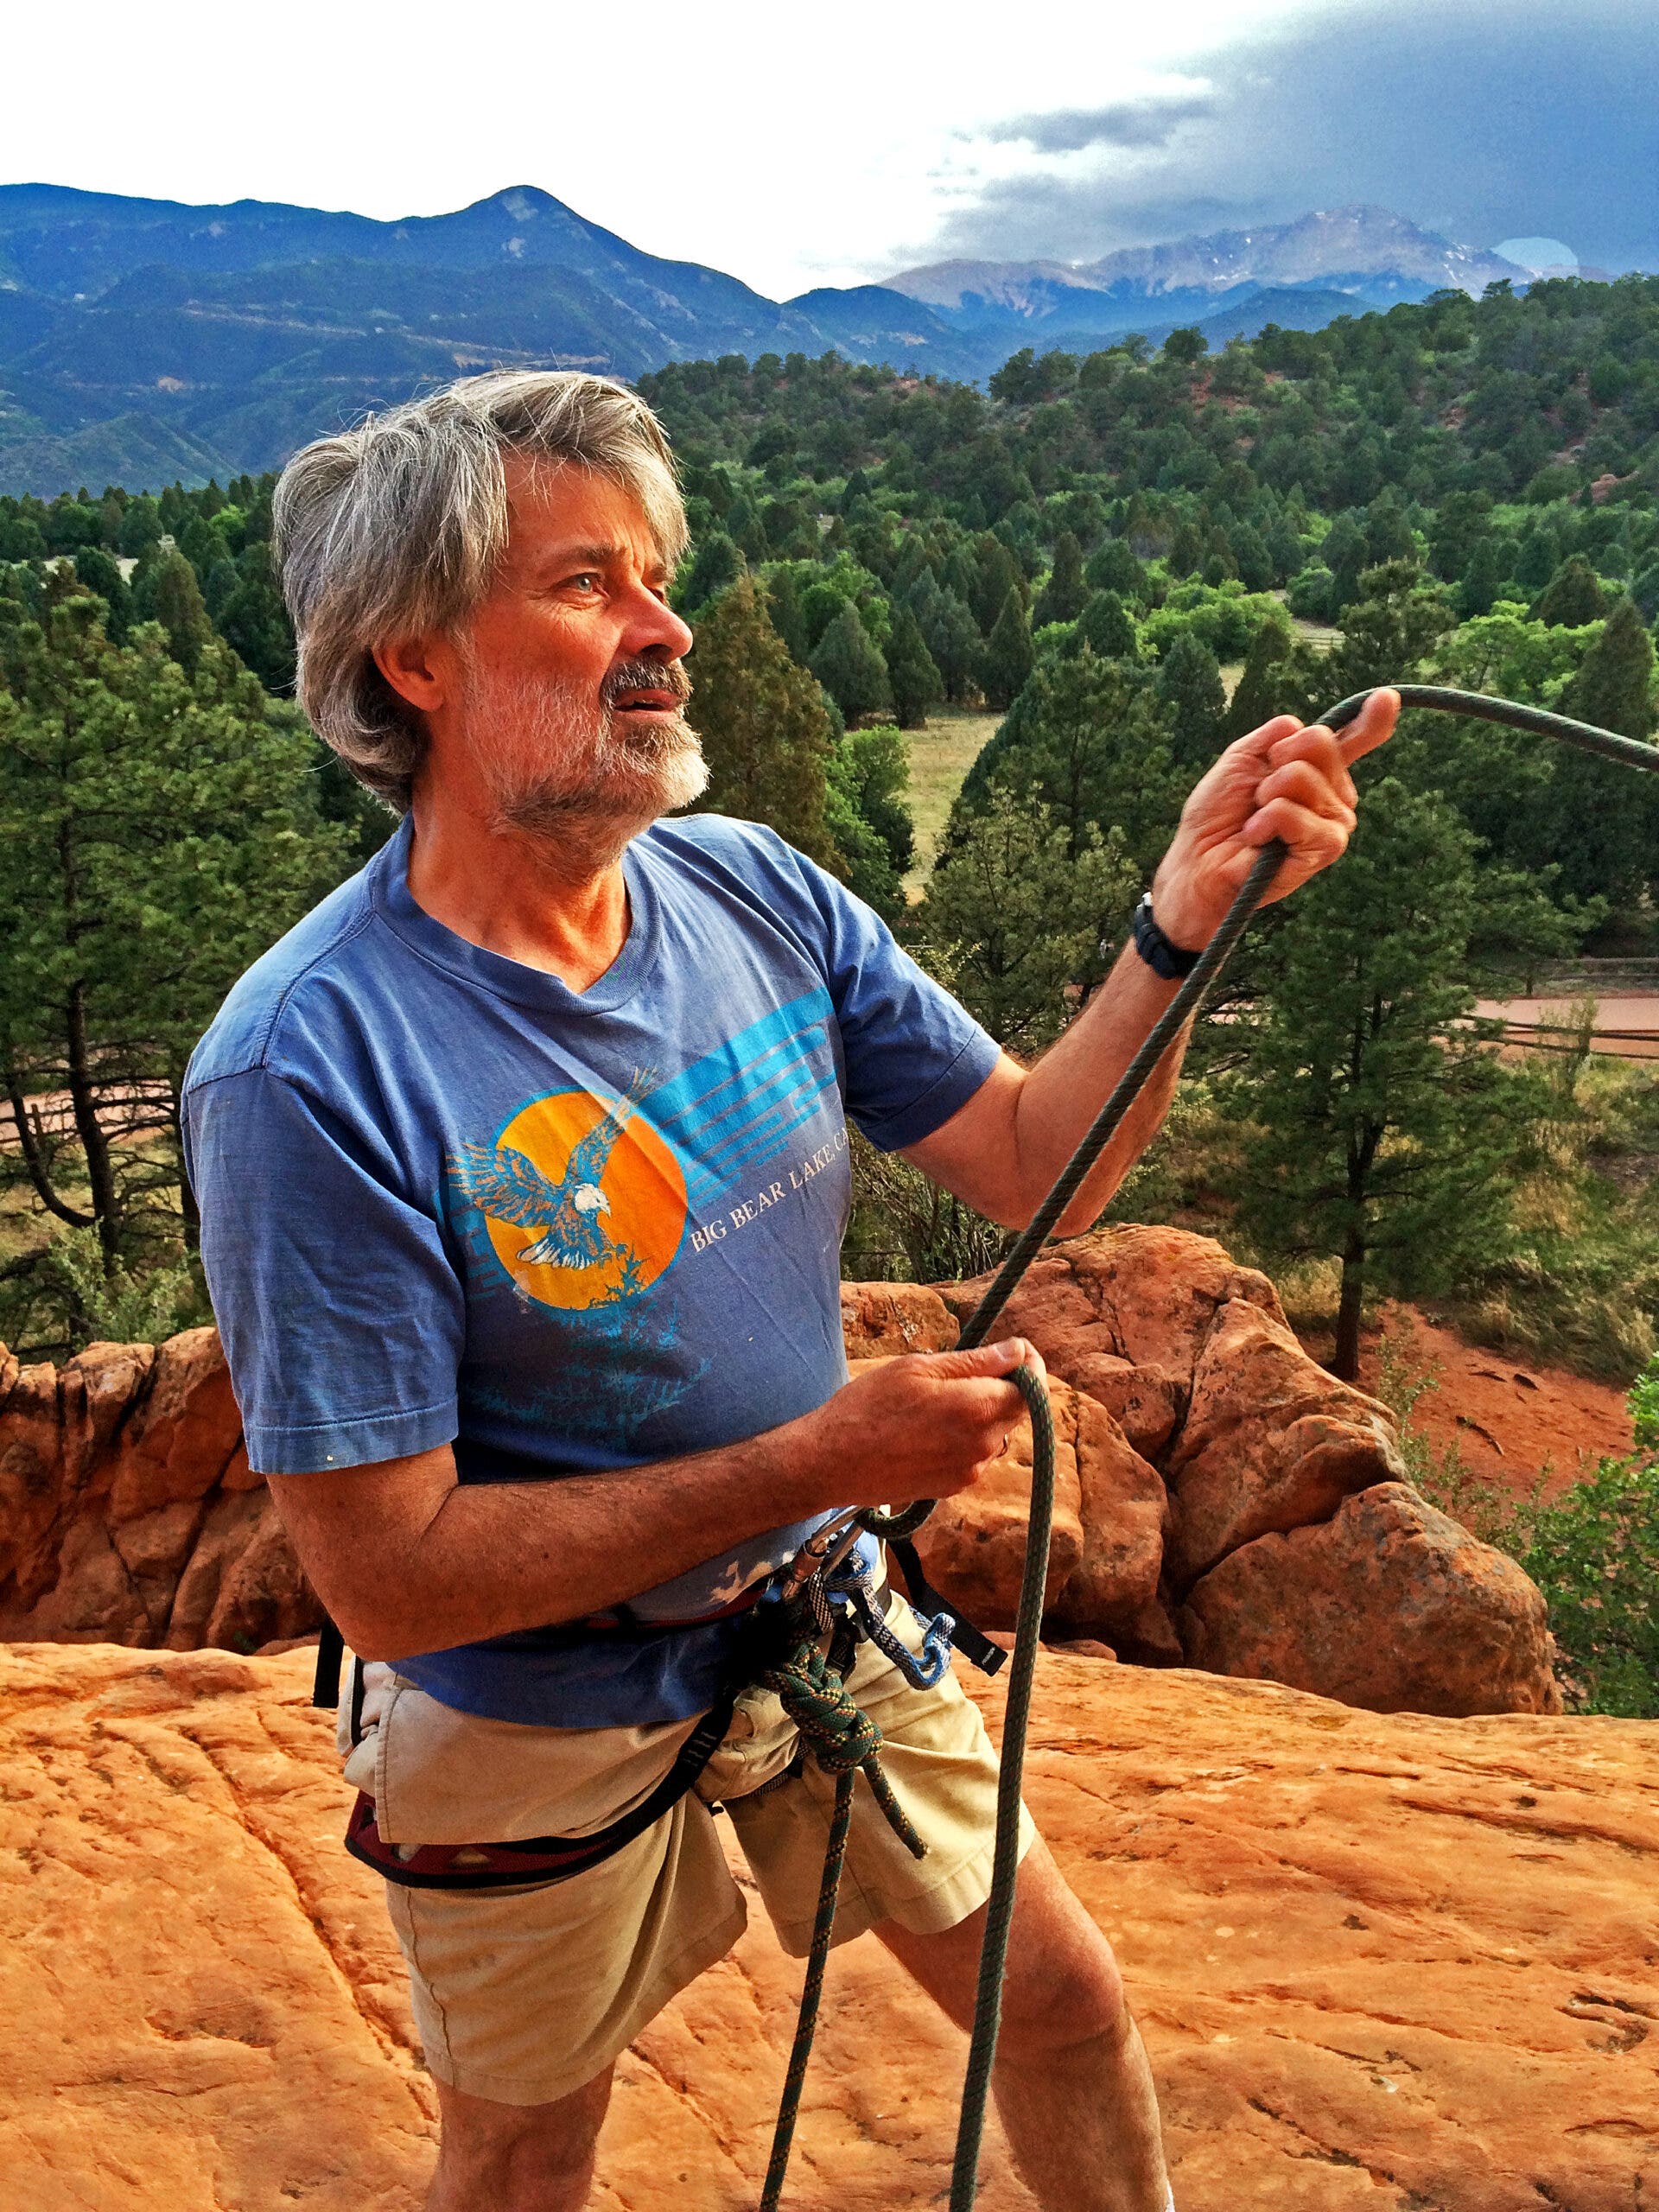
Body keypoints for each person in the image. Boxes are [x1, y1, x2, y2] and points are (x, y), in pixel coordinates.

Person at [183, 369, 1395, 2212]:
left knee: (1063, 2006)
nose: (665, 631)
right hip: (527, 1707)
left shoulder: (754, 892)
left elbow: (1031, 1155)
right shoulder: (311, 1065)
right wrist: (817, 1459)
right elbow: (391, 1576)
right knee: (524, 2155)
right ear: (412, 657)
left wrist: (1181, 920)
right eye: (586, 584)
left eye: (657, 579)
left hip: (814, 1609)